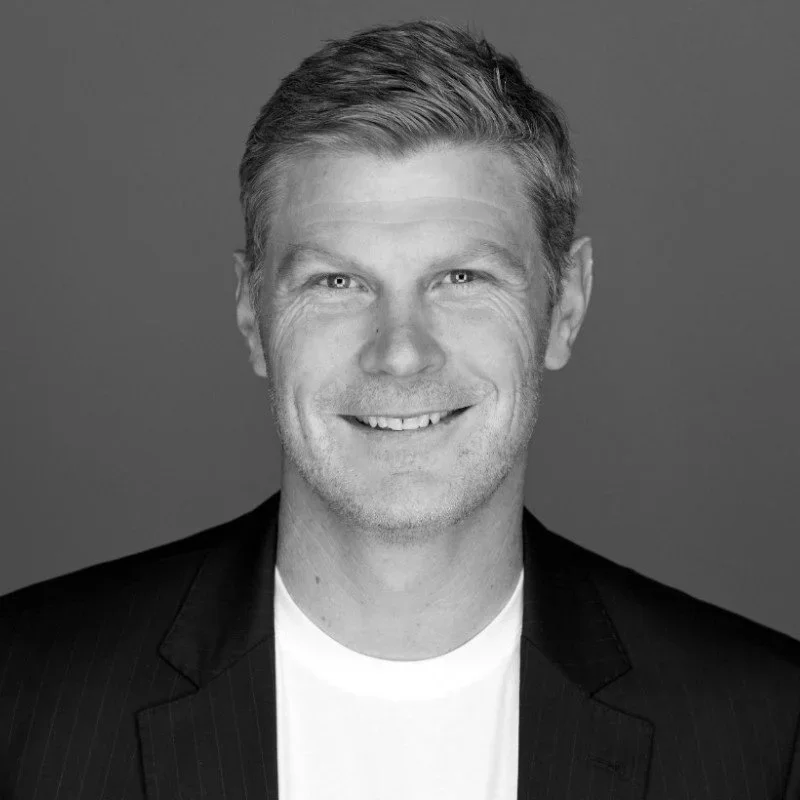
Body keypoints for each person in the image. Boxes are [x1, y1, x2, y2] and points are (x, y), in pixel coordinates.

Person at [1, 17, 799, 800]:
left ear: (566, 305)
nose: (401, 352)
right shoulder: (24, 696)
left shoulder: (763, 728)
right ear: (251, 314)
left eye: (462, 279)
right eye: (337, 282)